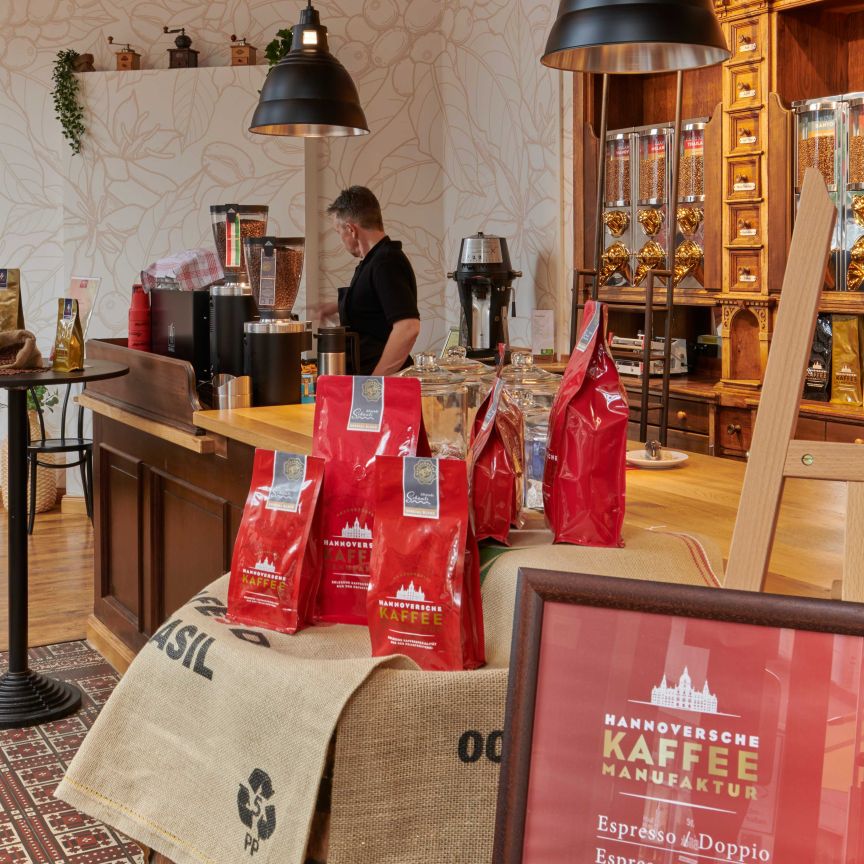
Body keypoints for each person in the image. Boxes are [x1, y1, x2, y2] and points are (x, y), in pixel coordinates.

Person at [320, 186, 420, 375]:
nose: (341, 240)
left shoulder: (386, 262)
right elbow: (374, 307)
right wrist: (336, 306)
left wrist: (374, 382)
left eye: (338, 232)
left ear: (351, 229)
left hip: (379, 384)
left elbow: (408, 327)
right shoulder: (374, 262)